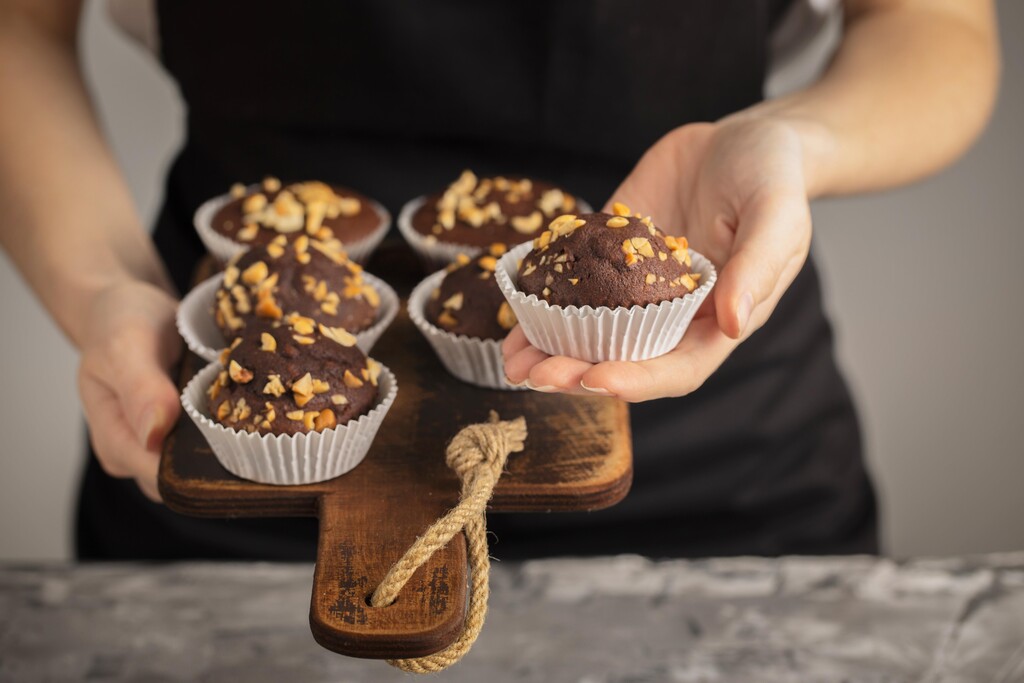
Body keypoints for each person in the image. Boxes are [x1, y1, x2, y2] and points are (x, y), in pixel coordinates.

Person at [0, 0, 999, 560]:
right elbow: (20, 27)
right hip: (230, 454)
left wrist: (786, 140)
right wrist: (100, 288)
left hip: (712, 425)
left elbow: (935, 27)